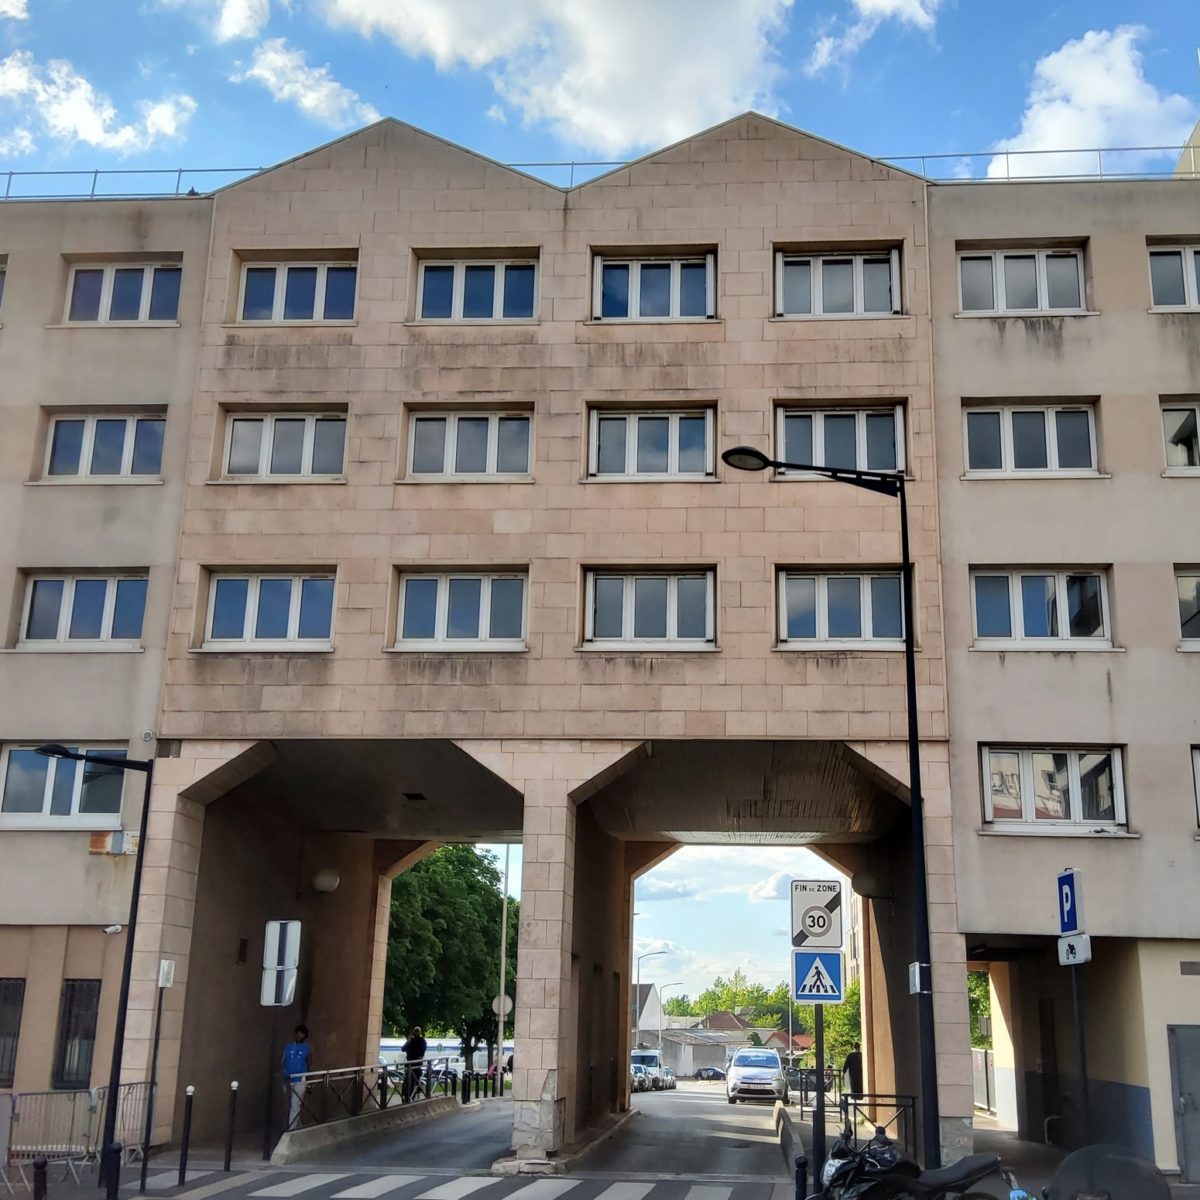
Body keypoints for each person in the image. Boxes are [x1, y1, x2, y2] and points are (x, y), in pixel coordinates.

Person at [281, 1025, 311, 1130]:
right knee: (288, 1105)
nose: (299, 1035)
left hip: (300, 1079)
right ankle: (297, 1126)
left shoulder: (307, 1048)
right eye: (297, 1033)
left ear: (305, 1036)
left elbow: (309, 1063)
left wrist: (308, 1080)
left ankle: (291, 1130)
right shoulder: (288, 1047)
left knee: (295, 1104)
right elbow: (282, 1060)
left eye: (301, 1034)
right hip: (287, 1078)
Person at [401, 1024, 427, 1102]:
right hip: (418, 1064)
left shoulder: (411, 1041)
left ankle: (407, 1096)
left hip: (410, 1064)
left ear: (413, 1033)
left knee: (408, 1080)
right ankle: (413, 1095)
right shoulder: (423, 1041)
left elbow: (403, 1049)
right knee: (416, 1080)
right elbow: (422, 1053)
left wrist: (409, 1040)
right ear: (420, 1032)